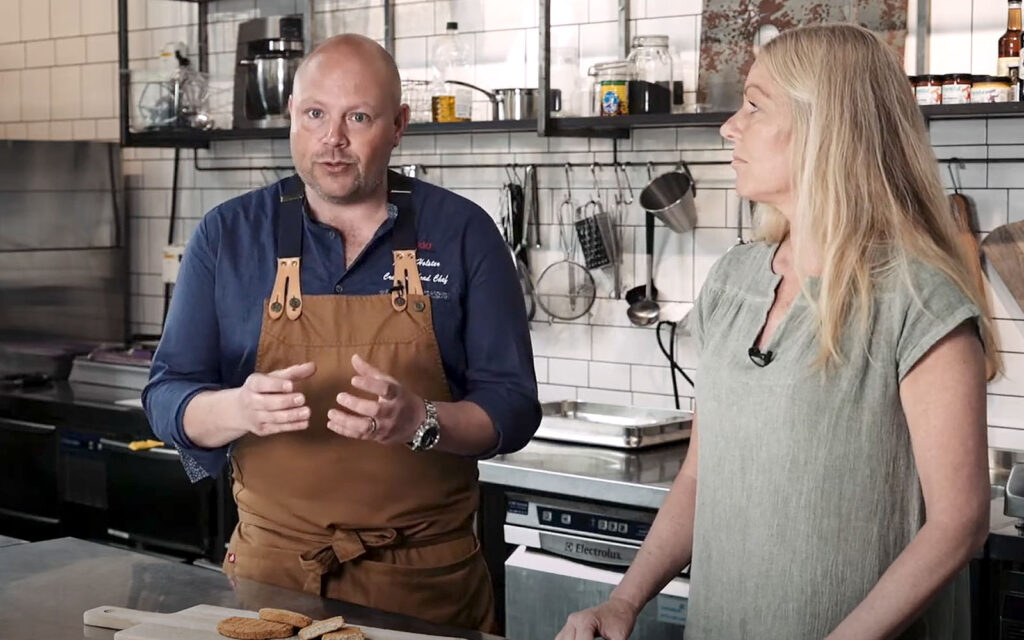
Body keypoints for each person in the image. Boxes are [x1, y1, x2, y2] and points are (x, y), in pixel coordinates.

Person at [557, 24, 999, 640]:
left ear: (826, 129)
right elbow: (699, 474)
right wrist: (624, 601)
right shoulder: (735, 279)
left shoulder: (917, 299)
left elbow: (960, 523)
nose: (729, 126)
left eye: (755, 105)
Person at [143, 34, 541, 633]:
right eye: (315, 115)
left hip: (425, 584)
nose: (333, 139)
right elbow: (167, 396)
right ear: (291, 119)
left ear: (399, 124)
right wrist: (237, 407)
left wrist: (422, 422)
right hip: (270, 583)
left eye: (358, 117)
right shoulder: (227, 235)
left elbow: (512, 408)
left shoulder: (464, 233)